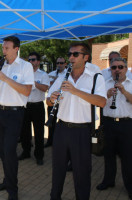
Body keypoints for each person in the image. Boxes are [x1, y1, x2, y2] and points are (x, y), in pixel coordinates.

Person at [48, 43, 106, 200]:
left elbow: (101, 102)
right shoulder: (62, 76)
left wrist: (75, 91)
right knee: (58, 170)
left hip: (82, 131)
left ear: (85, 57)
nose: (71, 57)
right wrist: (52, 99)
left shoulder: (95, 77)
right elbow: (48, 102)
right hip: (61, 128)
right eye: (69, 54)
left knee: (82, 172)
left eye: (75, 54)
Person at [0, 36, 34, 200]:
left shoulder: (25, 66)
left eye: (7, 48)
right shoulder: (2, 65)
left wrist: (5, 79)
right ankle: (7, 180)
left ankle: (13, 190)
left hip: (14, 113)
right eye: (3, 48)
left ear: (16, 49)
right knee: (2, 151)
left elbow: (27, 91)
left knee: (9, 151)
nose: (4, 51)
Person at [96, 57, 132, 199]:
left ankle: (129, 185)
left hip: (126, 124)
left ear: (126, 69)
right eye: (114, 67)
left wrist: (123, 91)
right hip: (109, 123)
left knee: (127, 157)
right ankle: (108, 181)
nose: (117, 70)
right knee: (108, 154)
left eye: (120, 67)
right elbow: (98, 102)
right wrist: (107, 94)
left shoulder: (130, 83)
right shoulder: (105, 83)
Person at [18, 52, 49, 166]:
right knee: (24, 132)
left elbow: (45, 88)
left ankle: (39, 155)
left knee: (39, 132)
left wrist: (33, 83)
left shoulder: (43, 74)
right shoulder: (24, 74)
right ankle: (26, 152)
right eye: (29, 60)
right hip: (25, 106)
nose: (31, 62)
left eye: (33, 59)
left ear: (38, 62)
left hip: (37, 106)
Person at [45, 57, 67, 148]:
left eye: (61, 63)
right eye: (58, 63)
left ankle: (59, 142)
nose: (59, 65)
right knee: (51, 123)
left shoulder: (67, 74)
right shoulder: (51, 74)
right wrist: (54, 82)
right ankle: (50, 140)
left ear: (65, 64)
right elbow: (47, 87)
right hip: (52, 101)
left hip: (63, 103)